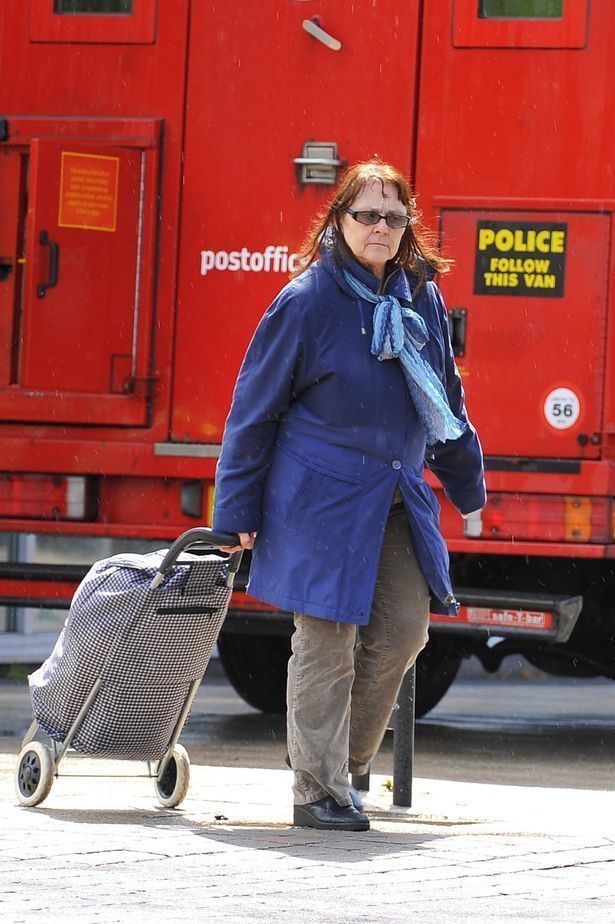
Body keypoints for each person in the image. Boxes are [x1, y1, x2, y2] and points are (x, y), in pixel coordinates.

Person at [213, 161, 485, 832]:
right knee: (327, 639)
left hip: (393, 490)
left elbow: (443, 404)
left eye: (394, 217)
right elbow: (253, 412)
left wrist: (467, 487)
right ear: (338, 221)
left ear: (406, 228)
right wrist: (236, 514)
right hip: (318, 496)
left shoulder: (417, 298)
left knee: (402, 631)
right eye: (366, 214)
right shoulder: (305, 301)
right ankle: (316, 790)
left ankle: (343, 769)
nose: (380, 228)